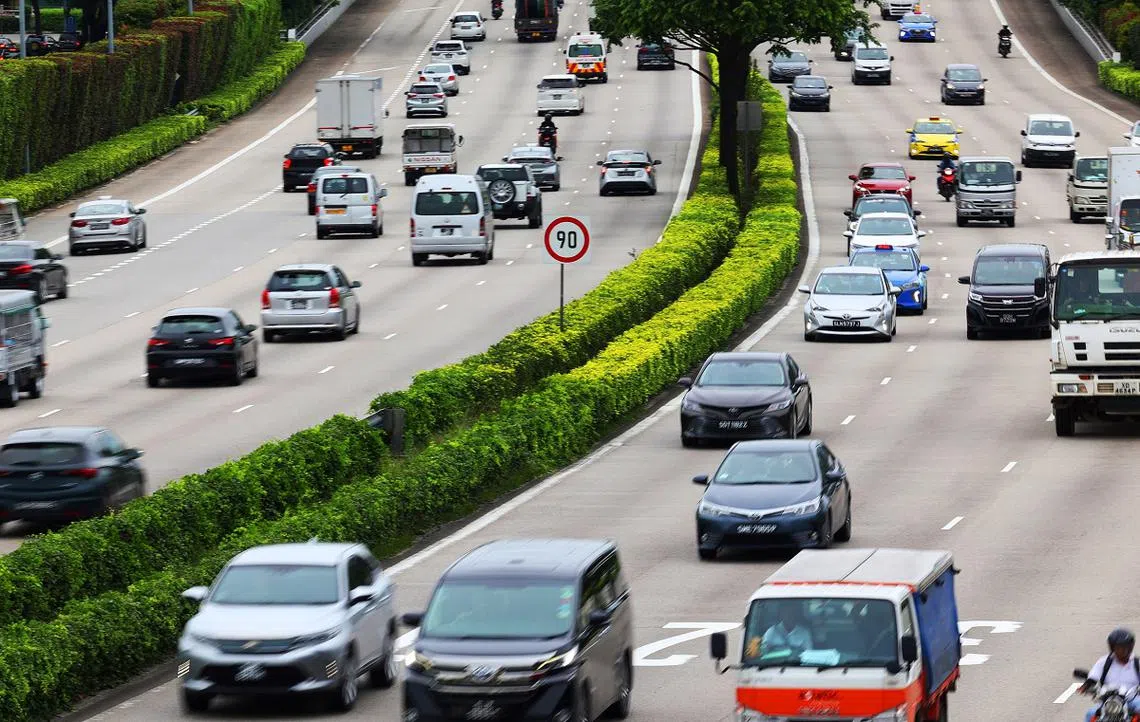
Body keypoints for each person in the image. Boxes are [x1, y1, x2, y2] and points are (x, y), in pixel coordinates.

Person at [1079, 628, 1140, 722]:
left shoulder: (1137, 663)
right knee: (1090, 714)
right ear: (1112, 648)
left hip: (1132, 700)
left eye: (1125, 647)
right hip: (1109, 701)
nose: (1122, 650)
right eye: (1118, 647)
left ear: (1130, 647)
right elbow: (1093, 677)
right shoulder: (1104, 662)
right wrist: (1087, 685)